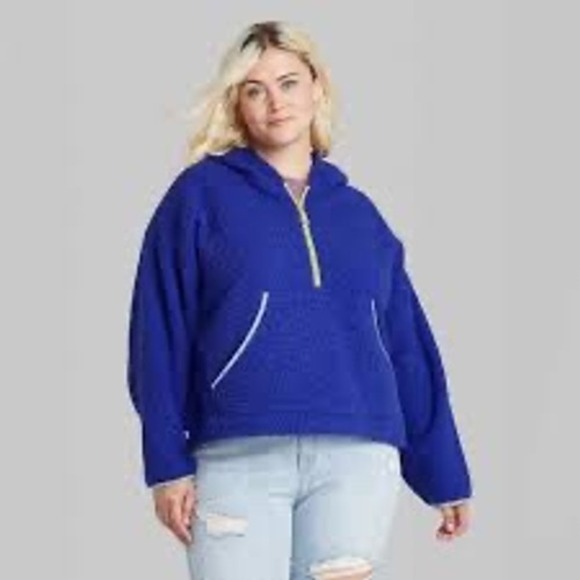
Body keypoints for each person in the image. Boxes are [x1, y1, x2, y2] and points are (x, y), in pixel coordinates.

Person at [126, 19, 473, 580]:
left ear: (317, 87)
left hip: (356, 457)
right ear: (237, 104)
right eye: (254, 90)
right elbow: (158, 336)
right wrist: (166, 464)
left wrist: (444, 474)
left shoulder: (360, 217)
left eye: (288, 83)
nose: (276, 103)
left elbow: (408, 348)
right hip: (237, 455)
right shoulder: (199, 198)